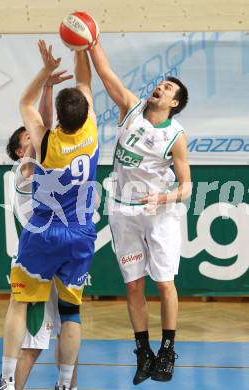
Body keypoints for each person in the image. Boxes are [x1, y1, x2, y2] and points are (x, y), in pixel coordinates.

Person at [0, 40, 98, 390]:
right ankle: (64, 383)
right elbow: (84, 86)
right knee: (71, 315)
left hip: (44, 236)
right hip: (81, 233)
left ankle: (7, 380)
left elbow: (29, 107)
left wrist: (45, 73)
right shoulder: (90, 131)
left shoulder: (43, 147)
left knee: (19, 304)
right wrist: (84, 47)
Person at [88, 42, 191, 384]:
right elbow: (105, 73)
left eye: (168, 88)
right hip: (122, 210)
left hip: (159, 213)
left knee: (164, 284)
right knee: (133, 286)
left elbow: (186, 186)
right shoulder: (131, 108)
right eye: (161, 83)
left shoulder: (176, 136)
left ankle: (167, 350)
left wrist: (165, 198)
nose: (160, 87)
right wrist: (93, 42)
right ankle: (143, 351)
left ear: (174, 103)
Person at [5, 71, 78, 390]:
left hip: (62, 250)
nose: (34, 138)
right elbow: (42, 128)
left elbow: (45, 129)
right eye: (27, 139)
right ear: (21, 151)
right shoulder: (23, 170)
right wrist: (46, 85)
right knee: (34, 342)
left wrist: (48, 88)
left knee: (70, 326)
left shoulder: (51, 160)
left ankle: (69, 386)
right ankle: (11, 384)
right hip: (37, 259)